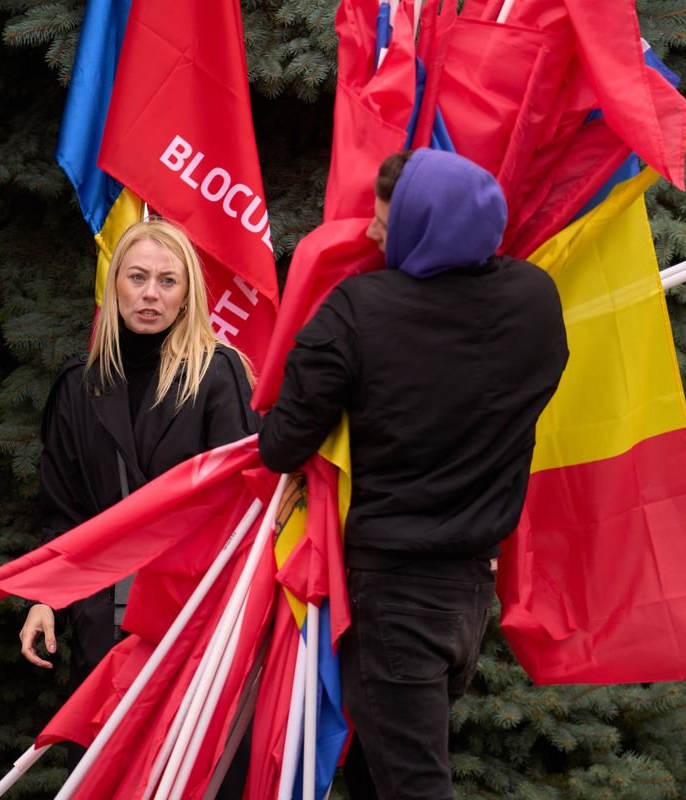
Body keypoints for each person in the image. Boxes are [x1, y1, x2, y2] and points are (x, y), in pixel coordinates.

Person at [258, 149, 569, 799]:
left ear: (424, 227)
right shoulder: (535, 300)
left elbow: (283, 443)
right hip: (468, 595)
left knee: (412, 783)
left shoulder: (360, 310)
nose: (373, 235)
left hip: (392, 598)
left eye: (385, 222)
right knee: (379, 774)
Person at [19, 218, 258, 772]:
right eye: (138, 277)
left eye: (167, 281)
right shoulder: (78, 385)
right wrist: (44, 599)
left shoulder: (217, 374)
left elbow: (243, 510)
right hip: (106, 626)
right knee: (105, 776)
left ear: (187, 294)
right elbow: (63, 512)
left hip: (196, 620)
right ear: (115, 286)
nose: (151, 294)